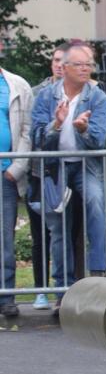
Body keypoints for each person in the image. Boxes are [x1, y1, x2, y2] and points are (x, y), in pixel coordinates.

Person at [30, 41, 106, 313]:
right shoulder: (45, 96)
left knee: (97, 205)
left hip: (86, 165)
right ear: (64, 68)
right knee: (58, 227)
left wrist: (84, 129)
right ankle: (63, 290)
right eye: (80, 64)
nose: (86, 69)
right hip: (55, 167)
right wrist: (56, 124)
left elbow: (100, 140)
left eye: (89, 64)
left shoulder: (97, 96)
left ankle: (98, 278)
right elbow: (37, 139)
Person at [26, 42, 69, 310]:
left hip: (67, 173)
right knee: (40, 234)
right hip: (39, 173)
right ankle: (41, 288)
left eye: (63, 61)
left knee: (63, 234)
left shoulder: (88, 93)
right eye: (55, 60)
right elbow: (33, 133)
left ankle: (63, 291)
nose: (58, 65)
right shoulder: (38, 93)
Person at [0, 42, 32, 320]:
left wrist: (17, 167)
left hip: (5, 175)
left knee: (4, 239)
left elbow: (27, 129)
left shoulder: (17, 85)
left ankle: (6, 297)